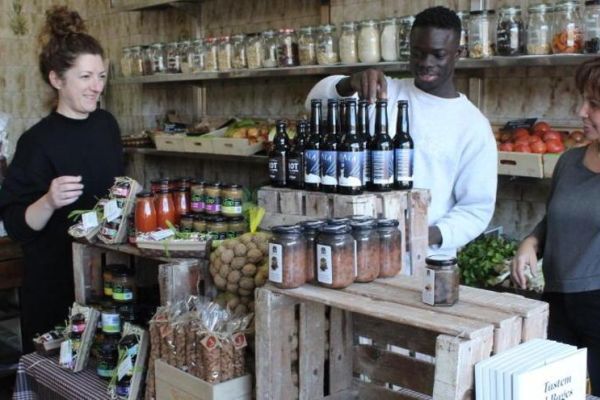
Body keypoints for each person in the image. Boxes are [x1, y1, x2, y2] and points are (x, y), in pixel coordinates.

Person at [305, 6, 497, 256]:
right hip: (356, 249)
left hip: (423, 259)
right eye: (418, 53)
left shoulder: (473, 125)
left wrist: (422, 234)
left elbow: (476, 209)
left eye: (438, 55)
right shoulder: (382, 92)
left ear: (458, 53)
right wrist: (348, 83)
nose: (426, 63)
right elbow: (314, 104)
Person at [0, 6, 124, 352]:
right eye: (85, 77)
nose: (97, 87)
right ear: (57, 79)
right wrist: (48, 200)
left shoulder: (107, 126)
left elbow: (112, 193)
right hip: (54, 287)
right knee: (57, 374)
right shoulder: (36, 142)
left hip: (106, 279)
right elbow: (15, 224)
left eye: (101, 76)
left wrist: (129, 194)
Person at [511, 57, 600, 395]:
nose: (581, 111)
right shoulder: (569, 161)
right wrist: (530, 243)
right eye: (584, 100)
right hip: (556, 302)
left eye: (594, 105)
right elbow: (553, 220)